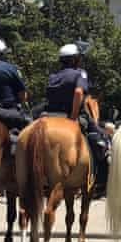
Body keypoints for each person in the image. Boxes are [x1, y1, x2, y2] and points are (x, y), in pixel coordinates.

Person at [45, 43, 110, 194]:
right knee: (98, 139)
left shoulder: (53, 76)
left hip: (50, 114)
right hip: (71, 115)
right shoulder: (79, 74)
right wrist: (73, 117)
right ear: (75, 60)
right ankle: (98, 177)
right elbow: (79, 93)